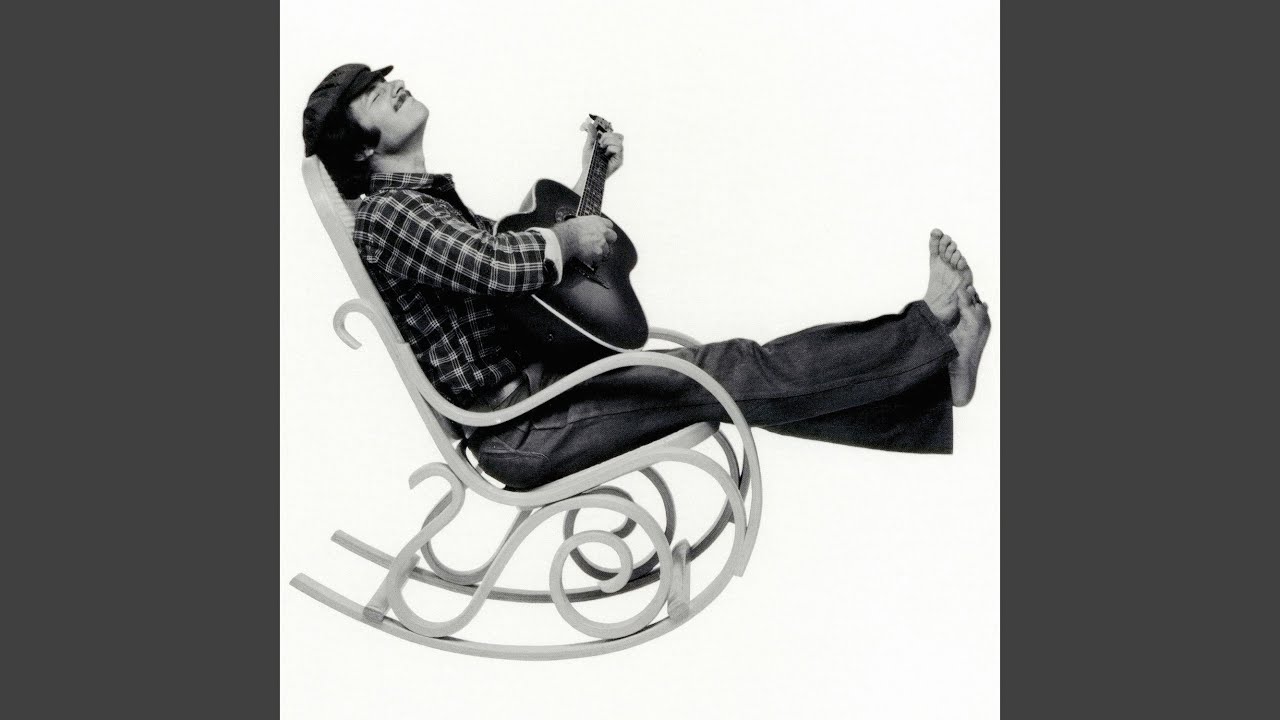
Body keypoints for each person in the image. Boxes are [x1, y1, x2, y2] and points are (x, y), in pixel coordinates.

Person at [302, 63, 991, 490]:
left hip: (549, 394)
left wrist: (589, 183)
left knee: (741, 378)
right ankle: (928, 336)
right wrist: (567, 236)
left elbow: (525, 282)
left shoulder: (423, 203)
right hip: (525, 430)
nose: (393, 85)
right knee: (732, 372)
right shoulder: (389, 214)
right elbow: (498, 264)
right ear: (357, 147)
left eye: (384, 79)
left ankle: (935, 377)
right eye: (372, 94)